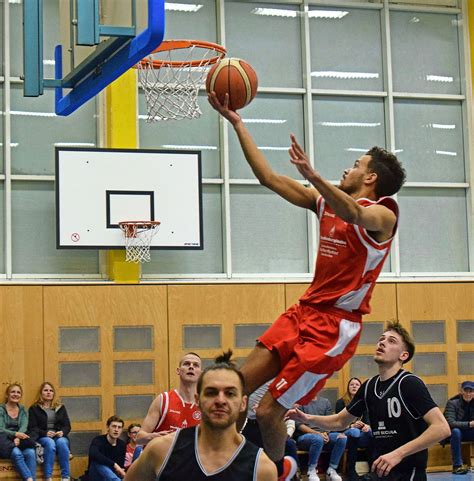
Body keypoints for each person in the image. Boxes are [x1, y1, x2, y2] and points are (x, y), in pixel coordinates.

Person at [208, 92, 406, 481]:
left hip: (334, 328)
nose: (346, 170)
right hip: (303, 312)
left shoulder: (384, 212)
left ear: (370, 178)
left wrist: (313, 175)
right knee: (232, 389)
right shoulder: (325, 203)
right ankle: (214, 465)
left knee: (267, 411)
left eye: (355, 165)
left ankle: (281, 473)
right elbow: (268, 177)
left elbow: (355, 212)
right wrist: (237, 123)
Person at [288, 321, 451, 481]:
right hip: (381, 471)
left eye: (391, 340)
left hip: (409, 472)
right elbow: (339, 421)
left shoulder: (409, 383)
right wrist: (307, 418)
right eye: (381, 338)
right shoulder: (368, 387)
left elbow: (442, 428)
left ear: (403, 355)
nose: (382, 342)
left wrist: (398, 454)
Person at [125, 350, 277, 480]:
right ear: (197, 400)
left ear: (243, 403)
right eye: (211, 393)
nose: (220, 400)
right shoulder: (161, 450)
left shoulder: (262, 468)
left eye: (230, 393)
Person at [136, 352, 202, 446]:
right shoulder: (163, 400)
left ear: (201, 374)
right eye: (187, 364)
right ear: (178, 371)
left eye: (196, 365)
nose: (191, 367)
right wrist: (156, 437)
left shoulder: (204, 405)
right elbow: (139, 438)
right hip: (163, 458)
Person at [294, 394, 346, 481]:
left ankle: (331, 470)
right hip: (304, 436)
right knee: (317, 439)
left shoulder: (325, 402)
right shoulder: (299, 402)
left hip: (323, 434)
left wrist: (325, 433)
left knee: (342, 437)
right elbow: (299, 425)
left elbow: (330, 422)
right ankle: (311, 470)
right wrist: (317, 433)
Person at [28, 381, 71, 481]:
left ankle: (65, 477)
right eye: (46, 390)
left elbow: (67, 426)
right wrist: (45, 433)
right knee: (50, 442)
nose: (48, 392)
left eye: (51, 391)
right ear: (41, 393)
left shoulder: (60, 407)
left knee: (63, 442)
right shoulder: (34, 408)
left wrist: (62, 432)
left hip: (58, 436)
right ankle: (48, 477)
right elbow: (32, 427)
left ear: (53, 393)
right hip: (42, 437)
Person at [335, 378, 372, 481]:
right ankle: (351, 470)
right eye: (352, 384)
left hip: (360, 434)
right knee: (354, 432)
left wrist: (366, 426)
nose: (354, 386)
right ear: (348, 387)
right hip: (346, 433)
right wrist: (352, 425)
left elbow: (368, 421)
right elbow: (338, 424)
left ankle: (372, 469)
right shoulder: (341, 402)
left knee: (370, 433)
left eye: (357, 384)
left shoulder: (364, 402)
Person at [0, 383, 36, 481]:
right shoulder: (1, 409)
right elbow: (1, 429)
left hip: (19, 440)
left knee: (30, 453)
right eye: (13, 392)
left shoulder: (23, 409)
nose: (16, 394)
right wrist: (15, 434)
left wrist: (18, 437)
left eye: (18, 392)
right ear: (7, 394)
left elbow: (24, 426)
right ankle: (29, 479)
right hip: (5, 442)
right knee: (16, 453)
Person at [443, 380, 473, 475]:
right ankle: (457, 466)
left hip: (470, 432)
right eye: (466, 391)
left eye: (471, 391)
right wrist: (469, 424)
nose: (468, 394)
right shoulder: (452, 403)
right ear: (461, 391)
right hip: (455, 434)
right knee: (456, 431)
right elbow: (450, 423)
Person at [87, 415, 126, 481]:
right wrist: (114, 464)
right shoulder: (98, 440)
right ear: (108, 427)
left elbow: (121, 465)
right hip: (96, 475)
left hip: (112, 475)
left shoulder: (122, 444)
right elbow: (93, 454)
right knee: (98, 462)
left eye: (119, 427)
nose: (116, 430)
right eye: (114, 426)